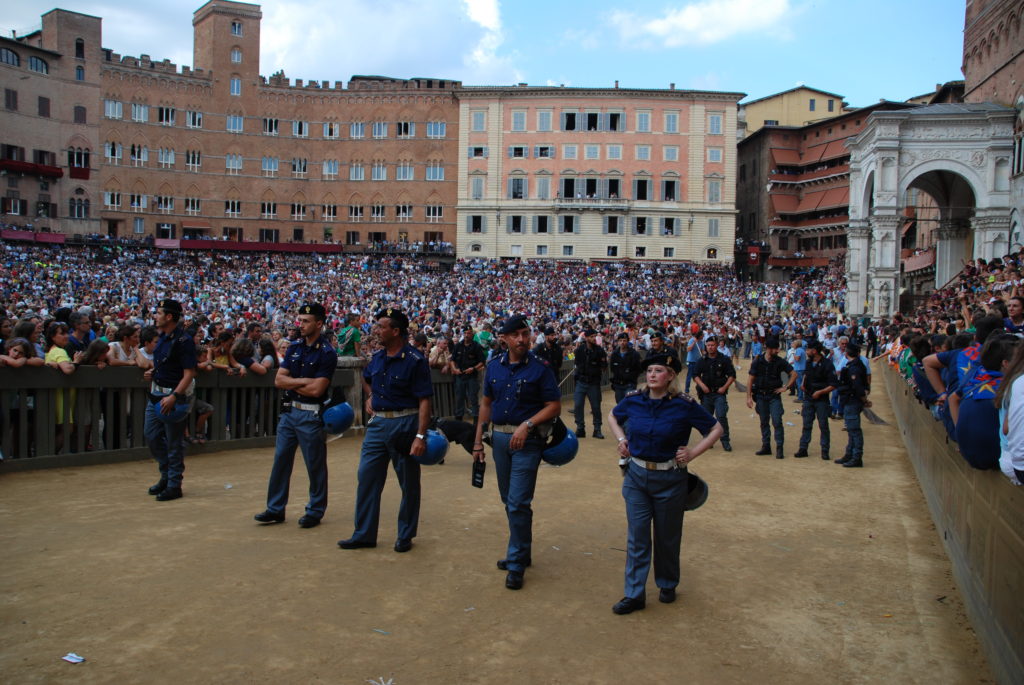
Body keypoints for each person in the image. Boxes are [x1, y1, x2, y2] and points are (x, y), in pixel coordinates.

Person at [606, 353, 723, 615]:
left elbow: (715, 429)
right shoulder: (634, 400)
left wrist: (693, 452)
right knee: (637, 537)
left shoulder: (684, 405)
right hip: (636, 475)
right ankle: (634, 594)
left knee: (667, 536)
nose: (652, 374)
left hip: (670, 478)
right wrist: (621, 439)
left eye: (659, 370)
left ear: (671, 375)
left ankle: (667, 582)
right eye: (649, 370)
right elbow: (613, 416)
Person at [472, 315, 561, 591]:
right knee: (508, 498)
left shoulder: (540, 368)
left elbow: (554, 405)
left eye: (526, 333)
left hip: (529, 440)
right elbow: (485, 405)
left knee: (518, 500)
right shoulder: (493, 367)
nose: (522, 339)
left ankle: (516, 560)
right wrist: (477, 442)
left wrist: (528, 424)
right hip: (499, 437)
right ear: (504, 339)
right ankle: (521, 549)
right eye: (516, 335)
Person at [339, 307, 433, 553]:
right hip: (378, 423)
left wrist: (421, 435)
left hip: (405, 422)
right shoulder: (378, 357)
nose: (376, 330)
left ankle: (405, 534)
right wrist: (371, 397)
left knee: (408, 482)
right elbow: (366, 378)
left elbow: (425, 400)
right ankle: (364, 533)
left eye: (381, 326)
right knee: (367, 477)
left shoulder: (415, 360)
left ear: (396, 330)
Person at [254, 303, 338, 529]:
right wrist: (304, 382)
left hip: (311, 414)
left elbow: (317, 391)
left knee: (314, 465)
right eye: (299, 320)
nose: (300, 324)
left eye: (305, 321)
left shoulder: (327, 352)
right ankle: (275, 508)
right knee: (280, 461)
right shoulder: (294, 347)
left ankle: (315, 510)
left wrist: (294, 383)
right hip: (289, 413)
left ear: (319, 323)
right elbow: (278, 380)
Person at [143, 299, 197, 501]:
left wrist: (174, 395)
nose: (155, 315)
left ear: (169, 316)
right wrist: (152, 372)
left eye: (158, 312)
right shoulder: (162, 337)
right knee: (151, 436)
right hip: (156, 394)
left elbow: (189, 373)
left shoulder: (183, 341)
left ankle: (174, 484)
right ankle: (166, 475)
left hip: (172, 396)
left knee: (174, 443)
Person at [746, 337, 796, 459]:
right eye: (775, 349)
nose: (778, 351)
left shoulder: (779, 361)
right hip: (761, 395)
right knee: (764, 422)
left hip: (774, 395)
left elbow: (794, 374)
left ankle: (779, 448)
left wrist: (786, 387)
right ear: (769, 349)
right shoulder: (758, 361)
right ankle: (766, 446)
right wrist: (748, 397)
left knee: (777, 421)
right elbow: (750, 379)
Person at [794, 340, 838, 460]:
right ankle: (803, 448)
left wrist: (820, 392)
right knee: (806, 424)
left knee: (823, 425)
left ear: (814, 351)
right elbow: (806, 375)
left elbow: (833, 384)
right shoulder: (809, 363)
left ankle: (825, 450)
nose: (806, 352)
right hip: (808, 397)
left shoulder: (827, 364)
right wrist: (803, 384)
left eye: (808, 350)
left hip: (821, 399)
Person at [693, 335, 736, 452]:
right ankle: (708, 440)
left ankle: (725, 440)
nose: (710, 347)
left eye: (712, 345)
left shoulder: (724, 359)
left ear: (717, 346)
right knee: (707, 418)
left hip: (719, 393)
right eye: (708, 345)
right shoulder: (702, 360)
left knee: (721, 416)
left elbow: (732, 375)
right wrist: (702, 385)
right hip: (706, 394)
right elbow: (695, 375)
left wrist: (724, 387)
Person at [835, 342, 871, 468]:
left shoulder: (854, 368)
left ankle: (856, 457)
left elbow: (858, 388)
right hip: (852, 400)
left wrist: (864, 400)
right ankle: (850, 454)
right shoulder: (856, 365)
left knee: (854, 430)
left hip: (852, 400)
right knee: (851, 430)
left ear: (846, 353)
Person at [573, 328, 607, 438]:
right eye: (592, 336)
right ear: (586, 338)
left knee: (596, 407)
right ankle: (580, 428)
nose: (594, 338)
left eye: (595, 336)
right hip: (581, 381)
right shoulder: (580, 350)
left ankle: (597, 429)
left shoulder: (600, 351)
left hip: (593, 382)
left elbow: (604, 367)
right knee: (578, 405)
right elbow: (577, 364)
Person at [451, 326, 486, 423]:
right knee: (459, 398)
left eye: (469, 333)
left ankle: (476, 422)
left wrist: (474, 368)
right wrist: (454, 369)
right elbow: (452, 360)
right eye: (465, 333)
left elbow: (482, 361)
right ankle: (458, 421)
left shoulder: (476, 346)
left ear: (472, 334)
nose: (466, 335)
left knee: (473, 398)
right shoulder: (458, 345)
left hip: (472, 376)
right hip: (460, 376)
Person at [609, 333, 642, 403]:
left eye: (624, 340)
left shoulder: (634, 354)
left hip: (630, 384)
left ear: (627, 341)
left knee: (630, 404)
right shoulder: (614, 354)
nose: (622, 342)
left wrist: (632, 377)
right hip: (618, 385)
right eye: (620, 340)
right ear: (618, 342)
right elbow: (612, 368)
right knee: (620, 405)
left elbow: (639, 369)